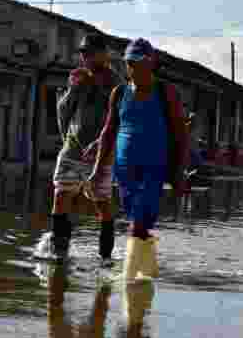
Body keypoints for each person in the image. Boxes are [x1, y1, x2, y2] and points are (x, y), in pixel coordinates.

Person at [89, 37, 191, 280]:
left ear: (151, 63)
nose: (133, 69)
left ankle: (131, 282)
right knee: (136, 222)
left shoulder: (166, 93)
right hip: (124, 172)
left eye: (139, 63)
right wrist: (96, 170)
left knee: (138, 224)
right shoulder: (120, 93)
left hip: (154, 169)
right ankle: (147, 273)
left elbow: (180, 135)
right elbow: (108, 132)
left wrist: (178, 173)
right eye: (130, 63)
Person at [50, 33, 124, 259]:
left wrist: (103, 143)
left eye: (91, 53)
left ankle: (105, 257)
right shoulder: (79, 79)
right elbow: (63, 112)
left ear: (104, 54)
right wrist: (73, 89)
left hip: (101, 155)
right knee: (61, 196)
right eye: (83, 54)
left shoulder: (116, 83)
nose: (86, 58)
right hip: (73, 149)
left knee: (102, 203)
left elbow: (121, 119)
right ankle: (58, 254)